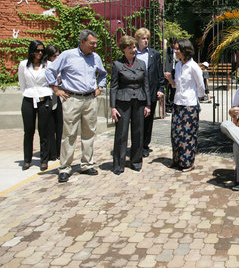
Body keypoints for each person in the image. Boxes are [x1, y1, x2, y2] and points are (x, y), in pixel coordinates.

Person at [45, 29, 107, 183]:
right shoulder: (67, 55)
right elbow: (50, 70)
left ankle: (86, 164)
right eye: (92, 43)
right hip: (72, 98)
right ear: (82, 42)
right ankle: (65, 168)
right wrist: (56, 89)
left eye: (96, 43)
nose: (94, 46)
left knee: (89, 132)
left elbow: (103, 73)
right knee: (69, 134)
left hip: (90, 99)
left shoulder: (96, 57)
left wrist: (100, 86)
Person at [110, 36, 151, 175]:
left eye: (134, 47)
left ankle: (136, 161)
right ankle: (119, 164)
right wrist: (112, 107)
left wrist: (148, 104)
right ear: (123, 49)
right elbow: (113, 87)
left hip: (139, 101)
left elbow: (146, 84)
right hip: (123, 102)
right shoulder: (117, 65)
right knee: (121, 133)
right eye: (130, 48)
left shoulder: (141, 64)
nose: (133, 50)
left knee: (138, 132)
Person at [164, 39, 205, 172]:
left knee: (188, 135)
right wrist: (170, 80)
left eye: (177, 49)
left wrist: (197, 99)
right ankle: (177, 159)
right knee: (176, 133)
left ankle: (188, 162)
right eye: (175, 49)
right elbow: (176, 84)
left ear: (185, 51)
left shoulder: (194, 67)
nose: (175, 51)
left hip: (190, 105)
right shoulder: (179, 66)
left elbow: (201, 86)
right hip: (177, 103)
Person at [18, 40, 53, 171]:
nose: (39, 53)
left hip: (44, 98)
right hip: (29, 98)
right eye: (37, 50)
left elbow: (54, 80)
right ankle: (27, 159)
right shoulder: (23, 65)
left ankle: (44, 160)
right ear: (31, 51)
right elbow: (22, 82)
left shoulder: (48, 65)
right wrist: (28, 93)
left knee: (43, 131)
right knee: (28, 131)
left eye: (42, 51)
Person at [135, 28, 165, 158]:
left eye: (147, 38)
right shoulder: (132, 52)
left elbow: (160, 73)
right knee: (136, 120)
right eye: (143, 38)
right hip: (136, 91)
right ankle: (136, 145)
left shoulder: (154, 54)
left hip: (151, 91)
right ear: (138, 40)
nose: (146, 40)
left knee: (148, 121)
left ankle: (145, 145)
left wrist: (161, 89)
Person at [44, 45, 62, 161]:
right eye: (54, 56)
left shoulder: (61, 66)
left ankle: (59, 151)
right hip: (48, 98)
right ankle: (52, 152)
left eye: (58, 55)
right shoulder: (46, 67)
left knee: (60, 126)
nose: (57, 57)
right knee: (50, 126)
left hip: (58, 97)